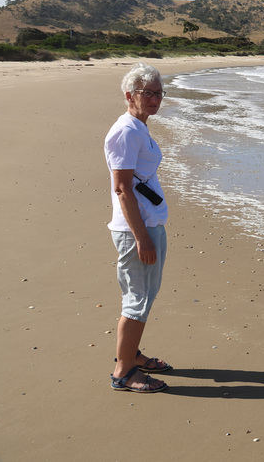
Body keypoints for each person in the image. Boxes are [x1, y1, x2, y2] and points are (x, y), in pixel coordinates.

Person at [104, 63, 173, 393]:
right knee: (137, 300)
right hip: (137, 230)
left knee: (145, 295)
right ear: (129, 95)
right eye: (148, 93)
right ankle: (124, 371)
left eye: (159, 93)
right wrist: (142, 238)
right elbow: (122, 188)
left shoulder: (138, 127)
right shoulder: (126, 131)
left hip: (148, 224)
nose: (155, 99)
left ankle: (132, 354)